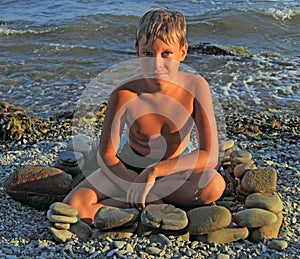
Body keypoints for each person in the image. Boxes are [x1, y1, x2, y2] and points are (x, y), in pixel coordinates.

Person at [62, 8, 225, 225]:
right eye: (148, 54)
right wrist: (136, 183)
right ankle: (151, 204)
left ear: (182, 52)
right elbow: (107, 157)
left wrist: (154, 171)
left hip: (173, 170)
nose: (156, 64)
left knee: (212, 185)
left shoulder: (196, 87)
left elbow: (209, 154)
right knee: (75, 204)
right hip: (128, 170)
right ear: (138, 51)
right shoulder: (124, 94)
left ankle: (126, 206)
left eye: (166, 53)